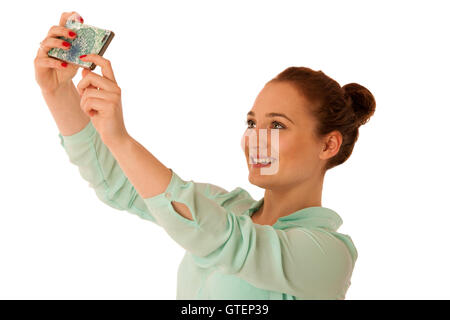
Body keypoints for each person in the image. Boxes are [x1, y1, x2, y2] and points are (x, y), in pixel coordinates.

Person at [35, 11, 376, 300]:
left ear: (328, 145)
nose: (255, 139)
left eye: (277, 126)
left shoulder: (328, 254)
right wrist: (58, 91)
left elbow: (221, 239)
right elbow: (120, 184)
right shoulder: (226, 206)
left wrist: (121, 139)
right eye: (252, 122)